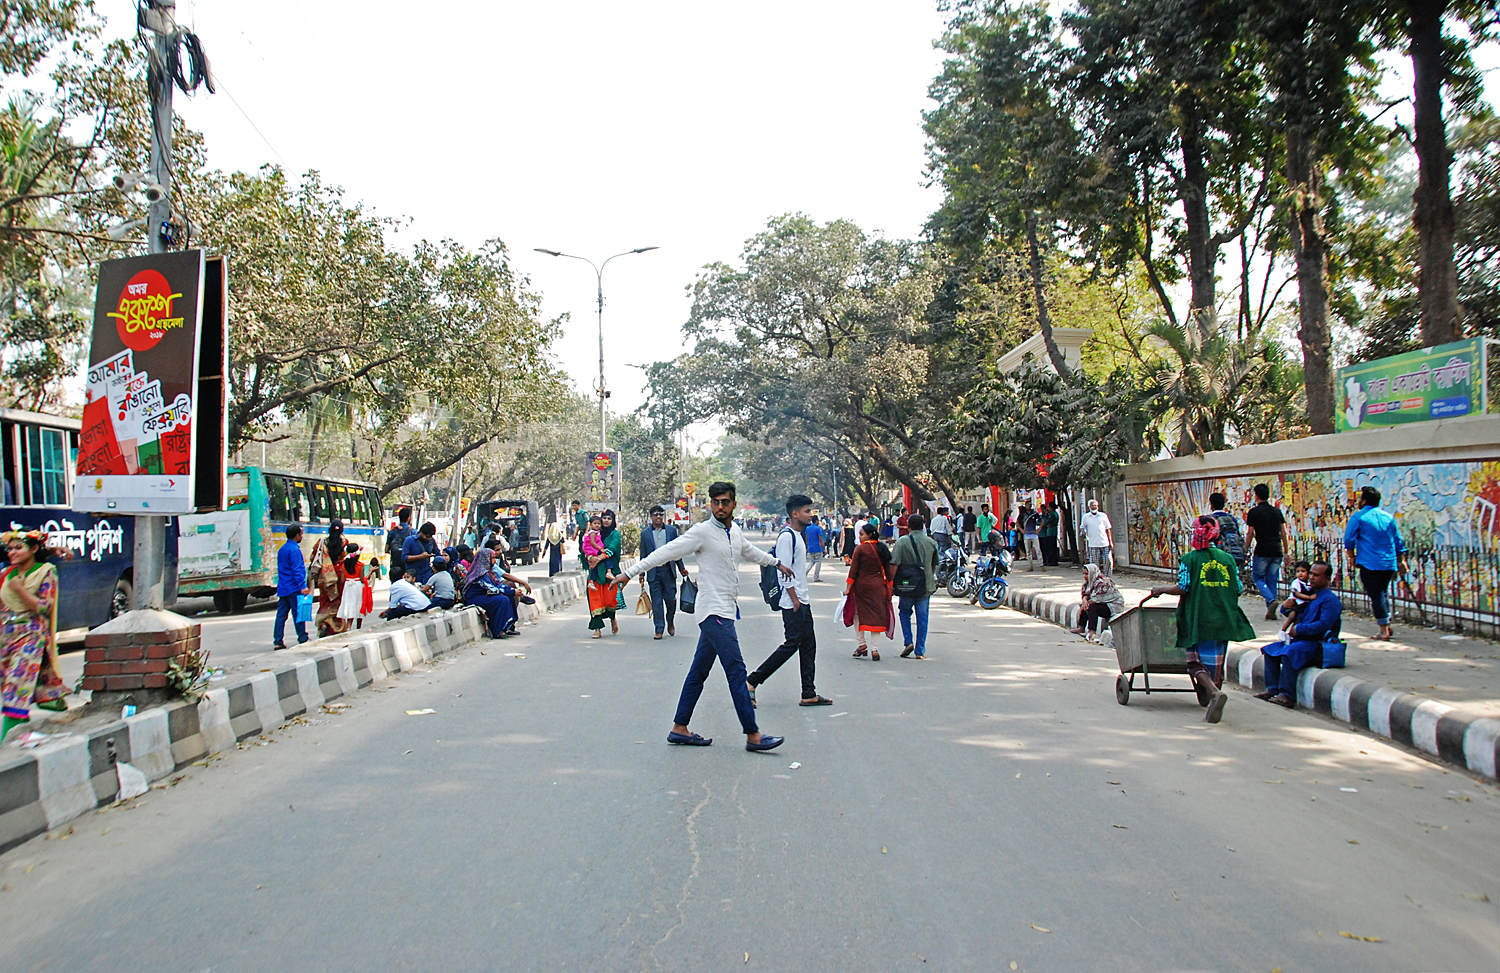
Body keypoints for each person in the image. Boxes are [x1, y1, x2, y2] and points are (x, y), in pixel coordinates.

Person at [609, 481, 793, 752]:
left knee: (698, 672)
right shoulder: (702, 532)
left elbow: (750, 552)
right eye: (716, 502)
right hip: (712, 612)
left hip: (725, 610)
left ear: (734, 504)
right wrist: (630, 572)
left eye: (725, 502)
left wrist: (776, 563)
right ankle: (753, 734)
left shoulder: (735, 532)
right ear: (710, 504)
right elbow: (665, 553)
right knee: (736, 670)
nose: (720, 506)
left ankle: (679, 728)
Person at [1141, 515, 1256, 723]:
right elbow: (1238, 588)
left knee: (1194, 661)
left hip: (1198, 618)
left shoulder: (1189, 560)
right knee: (1216, 664)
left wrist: (1161, 589)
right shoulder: (1227, 559)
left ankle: (1213, 692)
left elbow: (1183, 587)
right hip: (1224, 617)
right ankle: (1213, 693)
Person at [748, 494, 833, 707]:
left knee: (808, 645)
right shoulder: (787, 537)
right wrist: (794, 599)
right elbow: (783, 571)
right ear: (795, 514)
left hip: (801, 599)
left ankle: (808, 692)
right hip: (792, 601)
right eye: (806, 511)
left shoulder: (798, 534)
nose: (810, 515)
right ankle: (751, 681)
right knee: (791, 644)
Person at [1, 530, 68, 742]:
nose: (12, 552)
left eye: (18, 548)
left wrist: (20, 590)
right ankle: (21, 736)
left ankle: (6, 743)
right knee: (12, 690)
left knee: (16, 687)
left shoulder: (46, 572)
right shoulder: (5, 573)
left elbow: (44, 607)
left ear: (33, 549)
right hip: (5, 638)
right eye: (10, 549)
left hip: (30, 637)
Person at [1258, 562, 1341, 708]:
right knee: (1270, 650)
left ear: (1327, 578)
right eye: (1311, 574)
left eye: (1317, 575)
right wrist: (1286, 607)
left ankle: (1287, 695)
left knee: (1290, 652)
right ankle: (1272, 689)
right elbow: (1295, 612)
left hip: (1317, 644)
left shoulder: (1330, 600)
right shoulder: (1308, 595)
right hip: (1300, 640)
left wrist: (1300, 629)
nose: (1312, 578)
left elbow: (1324, 625)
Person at [1343, 486, 1407, 640]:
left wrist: (1351, 558)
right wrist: (1401, 560)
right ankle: (1386, 623)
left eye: (1360, 499)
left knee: (1377, 595)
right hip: (1388, 563)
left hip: (1369, 563)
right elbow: (1398, 540)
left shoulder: (1359, 517)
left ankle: (1383, 629)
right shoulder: (1388, 517)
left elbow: (1348, 540)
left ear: (1364, 501)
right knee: (1383, 593)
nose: (1358, 501)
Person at [639, 505, 690, 640]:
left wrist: (681, 568)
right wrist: (641, 573)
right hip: (653, 571)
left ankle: (670, 620)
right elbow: (643, 555)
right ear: (650, 517)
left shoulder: (672, 531)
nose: (658, 517)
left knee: (671, 600)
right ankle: (659, 628)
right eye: (655, 514)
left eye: (661, 514)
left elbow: (676, 551)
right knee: (656, 602)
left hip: (668, 570)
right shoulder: (645, 534)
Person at [846, 521, 895, 661]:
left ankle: (862, 644)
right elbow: (889, 571)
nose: (860, 537)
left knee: (857, 614)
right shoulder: (882, 548)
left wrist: (847, 589)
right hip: (879, 587)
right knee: (877, 617)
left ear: (869, 535)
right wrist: (889, 587)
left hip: (862, 588)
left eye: (861, 534)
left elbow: (853, 571)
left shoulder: (860, 549)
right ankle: (875, 649)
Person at [892, 513, 938, 659]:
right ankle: (920, 650)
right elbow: (934, 565)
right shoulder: (931, 542)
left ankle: (908, 641)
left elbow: (894, 563)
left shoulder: (902, 541)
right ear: (923, 526)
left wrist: (890, 582)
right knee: (922, 618)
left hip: (906, 585)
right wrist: (929, 578)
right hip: (924, 586)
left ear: (909, 526)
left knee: (904, 613)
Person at [1242, 483, 1288, 620]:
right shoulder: (1276, 511)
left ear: (1256, 495)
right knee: (1272, 579)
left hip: (1262, 549)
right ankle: (1270, 609)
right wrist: (1286, 551)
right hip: (1276, 550)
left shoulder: (1254, 512)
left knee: (1258, 577)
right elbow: (1283, 533)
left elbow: (1250, 533)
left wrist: (1246, 548)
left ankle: (1270, 599)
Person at [583, 509, 623, 639]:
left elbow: (612, 549)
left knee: (610, 601)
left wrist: (598, 559)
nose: (606, 521)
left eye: (609, 519)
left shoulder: (615, 534)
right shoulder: (594, 533)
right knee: (595, 600)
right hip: (595, 574)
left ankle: (612, 618)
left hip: (610, 573)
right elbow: (585, 548)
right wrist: (590, 559)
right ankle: (597, 629)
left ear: (613, 521)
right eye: (604, 518)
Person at [462, 545, 518, 637]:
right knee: (503, 600)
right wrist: (512, 592)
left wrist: (511, 590)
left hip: (484, 595)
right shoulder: (480, 574)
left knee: (508, 597)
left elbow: (498, 585)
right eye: (492, 558)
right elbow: (492, 589)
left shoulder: (488, 572)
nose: (495, 561)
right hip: (475, 598)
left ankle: (508, 627)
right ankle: (498, 630)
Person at [273, 525, 311, 650]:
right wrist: (303, 586)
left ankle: (278, 640)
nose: (302, 536)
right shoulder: (294, 550)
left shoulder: (282, 549)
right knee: (298, 613)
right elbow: (297, 570)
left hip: (283, 587)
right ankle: (302, 637)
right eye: (301, 534)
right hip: (294, 587)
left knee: (281, 615)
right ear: (296, 536)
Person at [310, 521, 350, 638]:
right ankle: (337, 628)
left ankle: (324, 624)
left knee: (325, 601)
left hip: (326, 576)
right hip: (340, 575)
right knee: (338, 602)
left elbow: (314, 557)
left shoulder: (322, 543)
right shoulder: (344, 542)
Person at [1071, 562, 1125, 640]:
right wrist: (1084, 599)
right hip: (1101, 603)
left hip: (1113, 606)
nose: (1084, 576)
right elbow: (1086, 593)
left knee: (1091, 607)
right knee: (1084, 605)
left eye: (1087, 574)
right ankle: (1081, 627)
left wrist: (1086, 603)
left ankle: (1092, 631)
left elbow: (1097, 598)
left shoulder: (1103, 582)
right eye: (1084, 574)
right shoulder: (1089, 582)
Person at [1207, 492, 1248, 576]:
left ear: (1211, 505)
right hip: (1234, 554)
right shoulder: (1231, 518)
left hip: (1218, 554)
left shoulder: (1210, 519)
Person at [1078, 498, 1114, 576]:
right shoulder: (1086, 517)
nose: (1093, 507)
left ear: (1097, 506)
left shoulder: (1103, 516)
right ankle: (1096, 577)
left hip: (1104, 542)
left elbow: (1108, 529)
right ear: (1089, 507)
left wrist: (1110, 541)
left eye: (1095, 505)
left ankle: (1107, 577)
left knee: (1108, 560)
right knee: (1094, 563)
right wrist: (1083, 532)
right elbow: (1082, 527)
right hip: (1093, 543)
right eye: (1092, 505)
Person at [337, 542, 369, 628]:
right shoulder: (360, 565)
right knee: (359, 605)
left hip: (348, 586)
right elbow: (362, 579)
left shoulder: (343, 565)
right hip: (358, 586)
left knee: (349, 605)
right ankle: (358, 628)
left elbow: (342, 580)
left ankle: (348, 627)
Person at [385, 508, 414, 579]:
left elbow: (386, 549)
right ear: (408, 518)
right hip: (408, 564)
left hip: (395, 563)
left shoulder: (392, 532)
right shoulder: (413, 532)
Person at [804, 513, 826, 582]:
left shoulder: (808, 528)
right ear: (816, 521)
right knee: (818, 562)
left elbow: (806, 539)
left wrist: (807, 547)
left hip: (810, 547)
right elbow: (821, 539)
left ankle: (805, 572)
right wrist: (824, 548)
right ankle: (816, 577)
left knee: (812, 561)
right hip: (817, 547)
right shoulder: (818, 528)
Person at [1021, 505, 1042, 569]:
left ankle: (1041, 565)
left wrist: (1039, 529)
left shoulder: (1034, 513)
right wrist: (1021, 530)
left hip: (1034, 535)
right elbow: (1017, 522)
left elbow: (1042, 521)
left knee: (1038, 550)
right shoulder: (1023, 514)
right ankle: (1030, 566)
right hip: (1027, 535)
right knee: (1028, 552)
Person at [1041, 501, 1061, 566]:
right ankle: (1052, 560)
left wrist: (1042, 524)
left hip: (1051, 532)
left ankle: (1052, 561)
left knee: (1051, 547)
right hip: (1051, 532)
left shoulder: (1052, 514)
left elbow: (1046, 522)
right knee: (1051, 547)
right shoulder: (1054, 513)